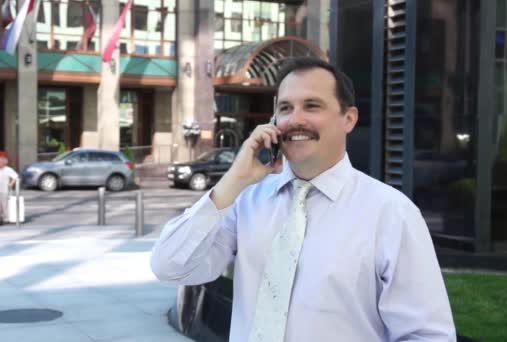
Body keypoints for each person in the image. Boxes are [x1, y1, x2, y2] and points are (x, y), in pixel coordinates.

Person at [151, 57, 456, 341]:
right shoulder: (246, 201)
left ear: (348, 119)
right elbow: (169, 266)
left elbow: (427, 335)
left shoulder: (391, 213)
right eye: (285, 108)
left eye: (311, 106)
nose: (294, 120)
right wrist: (233, 181)